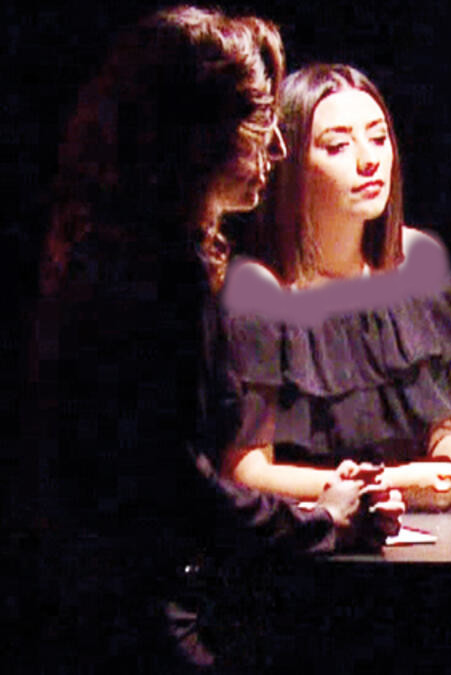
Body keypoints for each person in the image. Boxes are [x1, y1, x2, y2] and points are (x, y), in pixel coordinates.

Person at [35, 8, 401, 670]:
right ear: (194, 137)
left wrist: (319, 501)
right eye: (257, 126)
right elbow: (174, 483)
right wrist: (322, 520)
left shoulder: (121, 255)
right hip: (132, 619)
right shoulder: (153, 275)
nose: (276, 150)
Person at [222, 63, 451, 510]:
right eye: (338, 146)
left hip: (425, 537)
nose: (369, 160)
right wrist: (394, 483)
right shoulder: (259, 289)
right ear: (288, 164)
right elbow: (246, 473)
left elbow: (446, 427)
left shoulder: (416, 263)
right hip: (313, 538)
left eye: (379, 138)